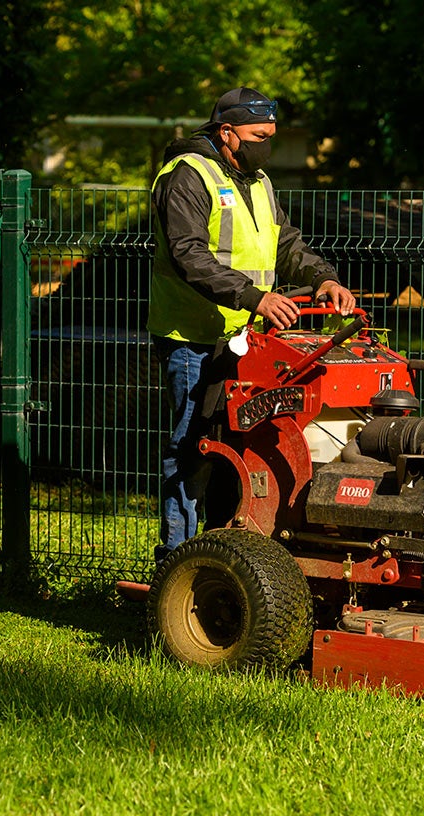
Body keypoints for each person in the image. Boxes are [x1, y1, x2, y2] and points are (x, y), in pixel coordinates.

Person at [148, 86, 356, 564]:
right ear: (227, 133)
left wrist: (323, 278)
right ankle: (177, 563)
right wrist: (255, 297)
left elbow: (286, 243)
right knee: (192, 450)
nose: (268, 143)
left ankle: (229, 553)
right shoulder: (187, 175)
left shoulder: (257, 180)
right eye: (258, 135)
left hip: (250, 340)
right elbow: (189, 254)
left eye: (272, 134)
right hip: (193, 338)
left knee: (241, 447)